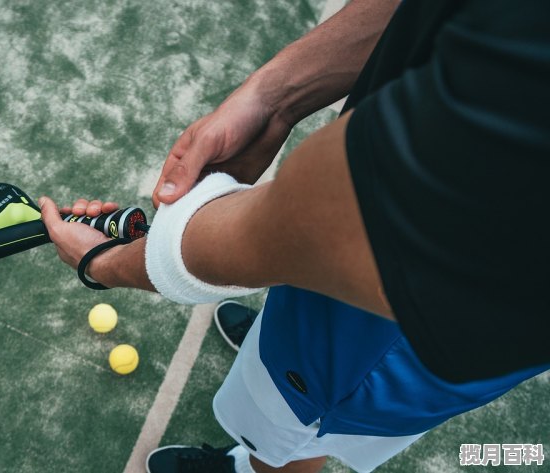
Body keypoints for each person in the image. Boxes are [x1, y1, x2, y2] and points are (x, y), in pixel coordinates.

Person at [37, 0, 550, 471]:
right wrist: (273, 97)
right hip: (390, 271)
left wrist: (108, 262)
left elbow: (324, 228)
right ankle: (277, 344)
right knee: (292, 365)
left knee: (296, 432)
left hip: (393, 334)